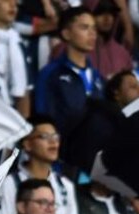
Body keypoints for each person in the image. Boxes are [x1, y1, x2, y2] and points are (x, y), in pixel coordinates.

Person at [0, 117, 84, 214]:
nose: (53, 142)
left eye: (56, 137)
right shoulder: (9, 184)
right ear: (27, 144)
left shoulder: (65, 185)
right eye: (44, 137)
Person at [35, 8, 102, 140]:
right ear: (66, 34)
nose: (92, 34)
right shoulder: (50, 74)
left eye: (94, 28)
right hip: (63, 151)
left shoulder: (97, 76)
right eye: (84, 27)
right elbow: (42, 118)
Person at [0, 0, 29, 116]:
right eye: (6, 1)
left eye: (15, 3)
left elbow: (24, 89)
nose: (12, 6)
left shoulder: (17, 40)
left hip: (12, 113)